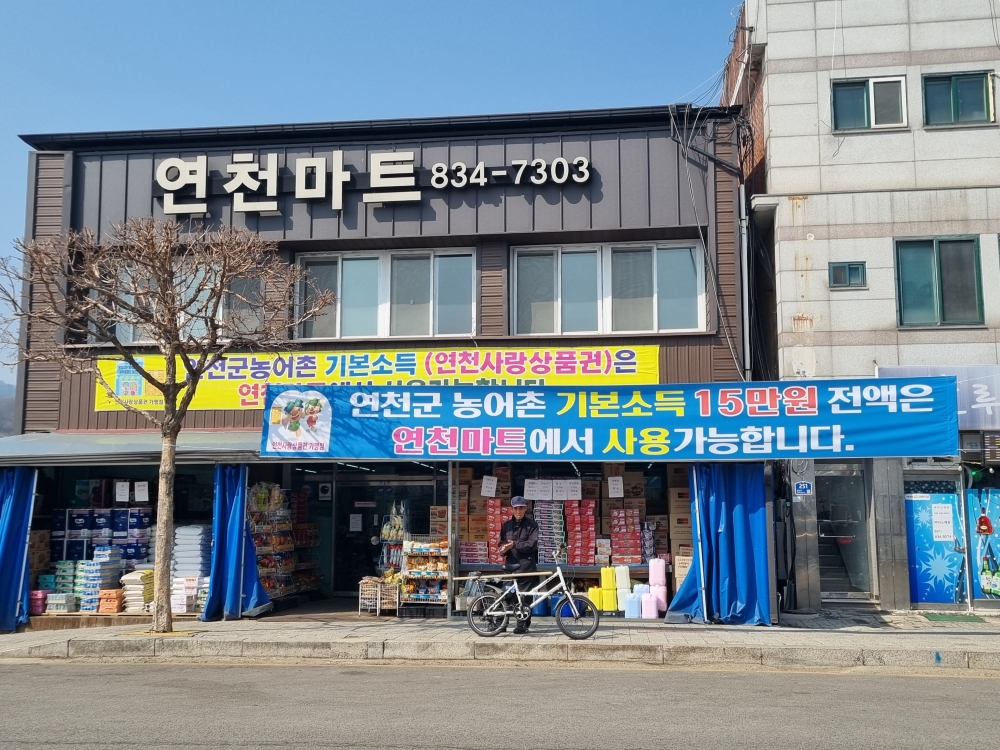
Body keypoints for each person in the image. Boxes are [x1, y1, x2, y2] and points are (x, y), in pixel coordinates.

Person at [498, 496, 539, 634]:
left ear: (525, 508)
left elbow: (532, 545)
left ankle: (522, 625)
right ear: (512, 509)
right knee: (506, 595)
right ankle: (500, 624)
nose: (518, 511)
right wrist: (503, 550)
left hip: (526, 567)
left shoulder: (532, 525)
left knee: (524, 598)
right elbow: (501, 544)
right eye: (516, 508)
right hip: (510, 566)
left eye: (521, 508)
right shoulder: (506, 525)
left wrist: (515, 544)